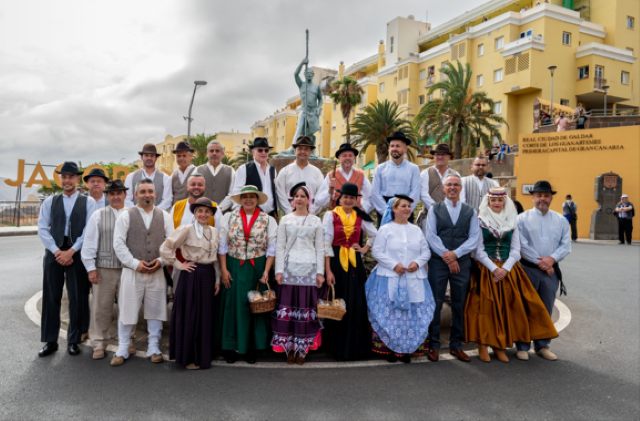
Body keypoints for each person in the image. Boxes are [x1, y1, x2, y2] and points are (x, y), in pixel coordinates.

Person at [465, 187, 558, 363]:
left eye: (500, 200)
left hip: (508, 270)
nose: (497, 203)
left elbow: (516, 250)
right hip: (487, 269)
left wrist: (505, 269)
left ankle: (499, 346)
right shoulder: (479, 220)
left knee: (505, 308)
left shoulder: (512, 221)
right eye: (493, 200)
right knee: (486, 308)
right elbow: (478, 251)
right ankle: (483, 344)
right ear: (488, 201)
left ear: (505, 202)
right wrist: (495, 269)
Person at [111, 178, 174, 366]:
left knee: (156, 309)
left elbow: (171, 243)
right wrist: (134, 263)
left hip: (156, 270)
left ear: (155, 194)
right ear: (135, 194)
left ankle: (154, 347)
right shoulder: (126, 215)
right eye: (143, 191)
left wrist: (162, 261)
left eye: (150, 191)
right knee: (127, 308)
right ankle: (123, 347)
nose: (147, 194)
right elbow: (118, 243)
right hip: (132, 271)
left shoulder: (165, 216)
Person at [365, 195, 435, 364]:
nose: (406, 209)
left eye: (408, 206)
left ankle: (407, 350)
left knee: (411, 315)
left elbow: (426, 252)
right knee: (390, 314)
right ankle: (390, 348)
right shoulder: (386, 229)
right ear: (394, 209)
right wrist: (394, 265)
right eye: (402, 206)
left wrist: (417, 264)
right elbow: (377, 252)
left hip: (414, 278)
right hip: (390, 277)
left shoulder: (416, 230)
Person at [37, 162, 96, 357]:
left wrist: (71, 251)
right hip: (54, 253)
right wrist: (57, 252)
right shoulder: (49, 201)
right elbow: (43, 229)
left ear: (77, 179)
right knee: (51, 297)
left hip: (76, 254)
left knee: (77, 298)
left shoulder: (88, 202)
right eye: (64, 177)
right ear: (60, 179)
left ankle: (73, 340)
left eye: (71, 177)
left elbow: (89, 230)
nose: (67, 180)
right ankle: (50, 341)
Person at [217, 185, 277, 364]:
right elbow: (222, 245)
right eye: (245, 197)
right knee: (233, 305)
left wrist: (266, 271)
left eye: (252, 196)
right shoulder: (229, 217)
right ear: (240, 200)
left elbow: (272, 248)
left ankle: (251, 346)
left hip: (256, 266)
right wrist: (224, 269)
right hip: (233, 265)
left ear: (257, 199)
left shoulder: (268, 220)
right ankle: (231, 346)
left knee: (255, 305)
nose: (248, 200)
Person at [160, 197, 221, 370]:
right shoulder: (186, 229)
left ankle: (203, 356)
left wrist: (217, 280)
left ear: (211, 214)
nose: (203, 214)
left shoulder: (214, 232)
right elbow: (165, 248)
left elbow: (215, 259)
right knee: (191, 316)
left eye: (207, 211)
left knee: (205, 317)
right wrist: (179, 264)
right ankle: (188, 357)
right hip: (191, 274)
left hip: (208, 275)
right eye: (200, 210)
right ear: (194, 212)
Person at [424, 174, 480, 362]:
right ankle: (433, 344)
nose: (453, 188)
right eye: (449, 185)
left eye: (456, 184)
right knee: (436, 302)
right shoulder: (434, 209)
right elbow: (431, 235)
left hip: (461, 261)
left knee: (459, 302)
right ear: (443, 188)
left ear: (461, 188)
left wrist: (455, 254)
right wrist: (447, 256)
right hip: (439, 261)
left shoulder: (470, 211)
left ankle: (456, 345)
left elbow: (473, 238)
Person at [516, 181, 571, 361]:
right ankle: (522, 346)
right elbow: (521, 245)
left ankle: (542, 346)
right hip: (528, 270)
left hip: (550, 272)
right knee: (525, 308)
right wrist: (542, 263)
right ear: (532, 197)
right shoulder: (522, 219)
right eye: (539, 195)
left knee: (545, 308)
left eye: (546, 196)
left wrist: (551, 260)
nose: (542, 199)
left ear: (551, 198)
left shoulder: (561, 220)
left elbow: (565, 245)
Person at [272, 182, 325, 365]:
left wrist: (320, 273)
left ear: (308, 199)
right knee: (289, 310)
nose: (299, 199)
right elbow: (279, 246)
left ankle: (303, 348)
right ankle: (289, 348)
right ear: (292, 200)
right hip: (289, 269)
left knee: (305, 310)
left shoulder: (316, 221)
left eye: (303, 196)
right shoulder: (285, 220)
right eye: (296, 196)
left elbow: (320, 248)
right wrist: (278, 271)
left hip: (309, 270)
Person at [323, 182, 377, 361]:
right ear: (340, 198)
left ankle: (354, 347)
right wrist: (328, 270)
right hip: (336, 261)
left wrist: (364, 248)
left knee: (354, 303)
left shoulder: (361, 216)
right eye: (345, 197)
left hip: (354, 262)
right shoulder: (331, 215)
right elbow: (326, 243)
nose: (348, 200)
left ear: (356, 200)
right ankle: (335, 346)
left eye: (352, 197)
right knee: (337, 301)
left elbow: (375, 234)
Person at [81, 179, 130, 361]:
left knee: (128, 308)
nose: (116, 196)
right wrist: (91, 268)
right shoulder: (99, 215)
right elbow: (89, 243)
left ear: (125, 195)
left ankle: (127, 341)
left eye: (119, 193)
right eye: (112, 193)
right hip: (104, 268)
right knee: (101, 308)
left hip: (128, 269)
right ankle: (99, 343)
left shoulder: (133, 214)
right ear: (107, 196)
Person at [371, 132, 421, 227]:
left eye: (398, 146)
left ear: (405, 148)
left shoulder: (413, 169)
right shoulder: (380, 168)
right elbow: (375, 192)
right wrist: (386, 211)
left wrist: (405, 210)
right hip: (384, 209)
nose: (394, 149)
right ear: (389, 148)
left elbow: (415, 191)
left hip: (406, 210)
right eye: (392, 146)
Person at [228, 137, 279, 218]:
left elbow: (275, 192)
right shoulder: (243, 169)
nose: (263, 152)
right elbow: (237, 192)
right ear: (253, 152)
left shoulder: (272, 170)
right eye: (260, 150)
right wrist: (239, 215)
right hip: (251, 215)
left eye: (266, 150)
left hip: (271, 215)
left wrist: (276, 211)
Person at [315, 143, 373, 213]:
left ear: (354, 157)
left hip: (355, 218)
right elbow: (319, 201)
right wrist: (329, 191)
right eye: (344, 156)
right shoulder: (331, 176)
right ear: (339, 157)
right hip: (336, 218)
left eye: (350, 156)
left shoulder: (361, 175)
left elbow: (370, 196)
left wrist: (364, 209)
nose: (347, 158)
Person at [275, 136, 325, 216]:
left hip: (311, 218)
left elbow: (321, 193)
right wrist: (290, 213)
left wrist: (312, 212)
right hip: (289, 217)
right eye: (300, 149)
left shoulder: (317, 172)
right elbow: (280, 194)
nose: (303, 151)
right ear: (295, 151)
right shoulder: (285, 171)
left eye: (306, 149)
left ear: (310, 152)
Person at [124, 143, 172, 211]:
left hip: (157, 218)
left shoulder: (166, 178)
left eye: (152, 156)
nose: (149, 158)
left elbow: (167, 201)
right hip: (135, 218)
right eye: (146, 155)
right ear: (141, 157)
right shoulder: (130, 177)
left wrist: (153, 213)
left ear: (156, 158)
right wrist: (138, 212)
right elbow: (127, 200)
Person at [420, 143, 465, 214]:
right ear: (434, 156)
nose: (440, 157)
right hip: (429, 215)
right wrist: (437, 210)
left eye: (443, 154)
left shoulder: (456, 175)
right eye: (437, 154)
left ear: (449, 157)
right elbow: (423, 195)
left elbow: (461, 194)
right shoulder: (425, 174)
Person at [194, 140, 235, 212]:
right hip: (202, 214)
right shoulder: (198, 170)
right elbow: (194, 192)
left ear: (222, 153)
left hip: (224, 215)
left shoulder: (230, 171)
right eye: (211, 151)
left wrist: (219, 209)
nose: (214, 153)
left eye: (217, 151)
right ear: (207, 153)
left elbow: (232, 194)